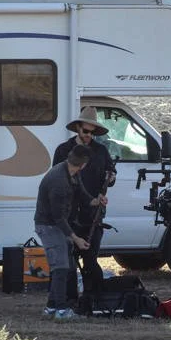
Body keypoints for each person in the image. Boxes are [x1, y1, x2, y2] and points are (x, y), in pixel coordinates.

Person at [34, 144, 106, 321]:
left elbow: (82, 195)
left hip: (58, 225)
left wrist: (96, 201)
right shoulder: (59, 182)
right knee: (61, 268)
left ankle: (50, 308)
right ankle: (61, 310)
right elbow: (58, 218)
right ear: (84, 164)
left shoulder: (71, 171)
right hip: (49, 226)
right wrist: (76, 239)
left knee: (64, 265)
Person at [52, 107, 117, 293]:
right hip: (69, 214)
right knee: (68, 261)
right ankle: (69, 300)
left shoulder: (101, 150)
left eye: (92, 132)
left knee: (90, 258)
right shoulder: (63, 150)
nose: (89, 135)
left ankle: (93, 298)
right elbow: (56, 179)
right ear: (78, 129)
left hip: (93, 215)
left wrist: (110, 178)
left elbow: (111, 175)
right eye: (85, 131)